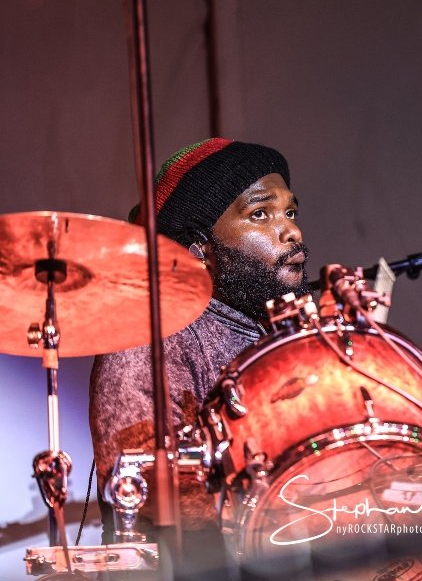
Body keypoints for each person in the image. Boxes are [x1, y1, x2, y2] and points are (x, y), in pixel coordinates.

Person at [88, 138, 310, 574]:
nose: (292, 232)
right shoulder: (152, 337)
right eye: (260, 214)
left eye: (290, 213)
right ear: (199, 247)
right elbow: (151, 497)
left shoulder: (282, 329)